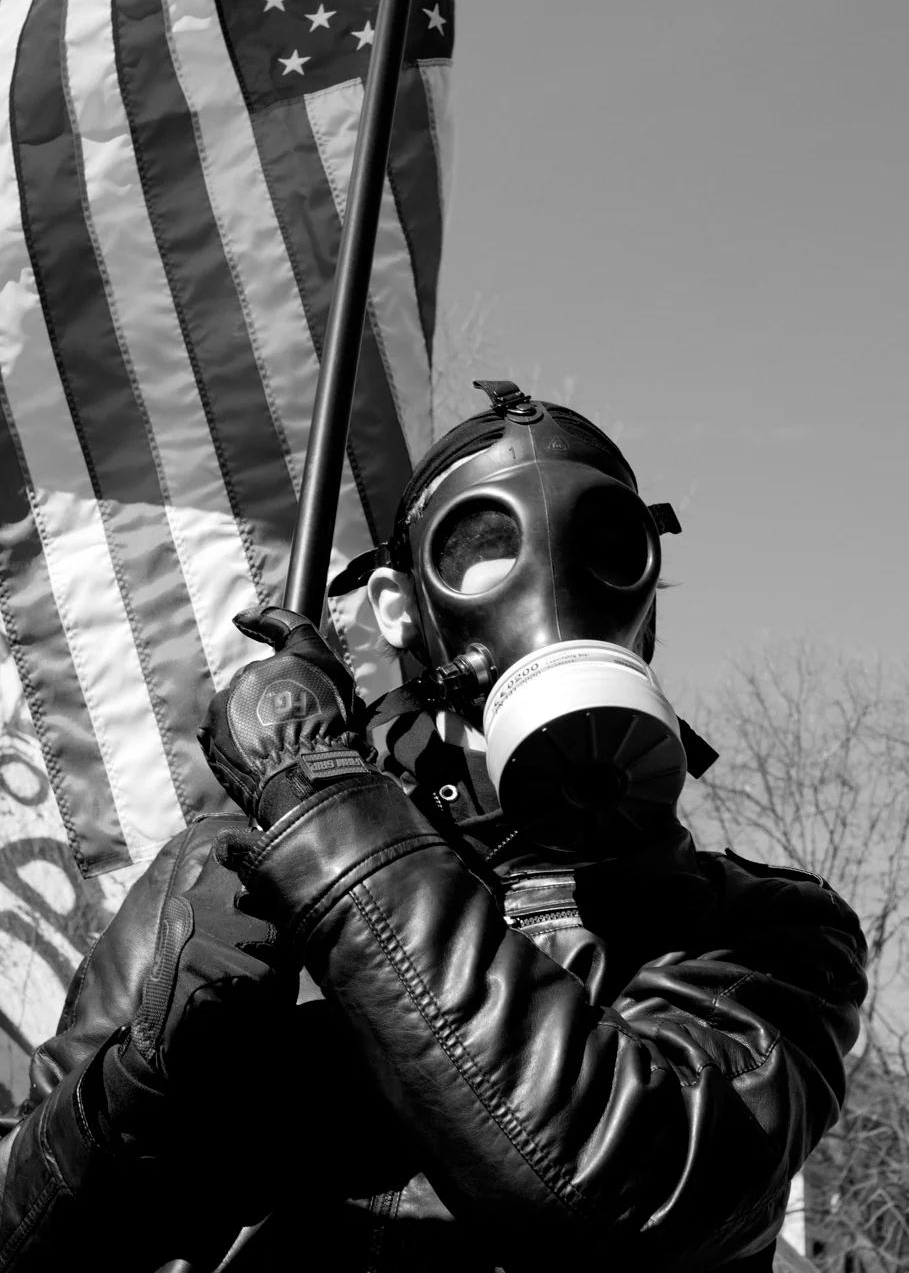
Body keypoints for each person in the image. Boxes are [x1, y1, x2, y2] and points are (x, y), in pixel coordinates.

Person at [0, 382, 867, 1272]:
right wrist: (144, 1083)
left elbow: (634, 1197)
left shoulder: (763, 933)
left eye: (603, 548)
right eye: (486, 548)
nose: (553, 589)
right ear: (398, 603)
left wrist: (324, 809)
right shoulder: (227, 877)